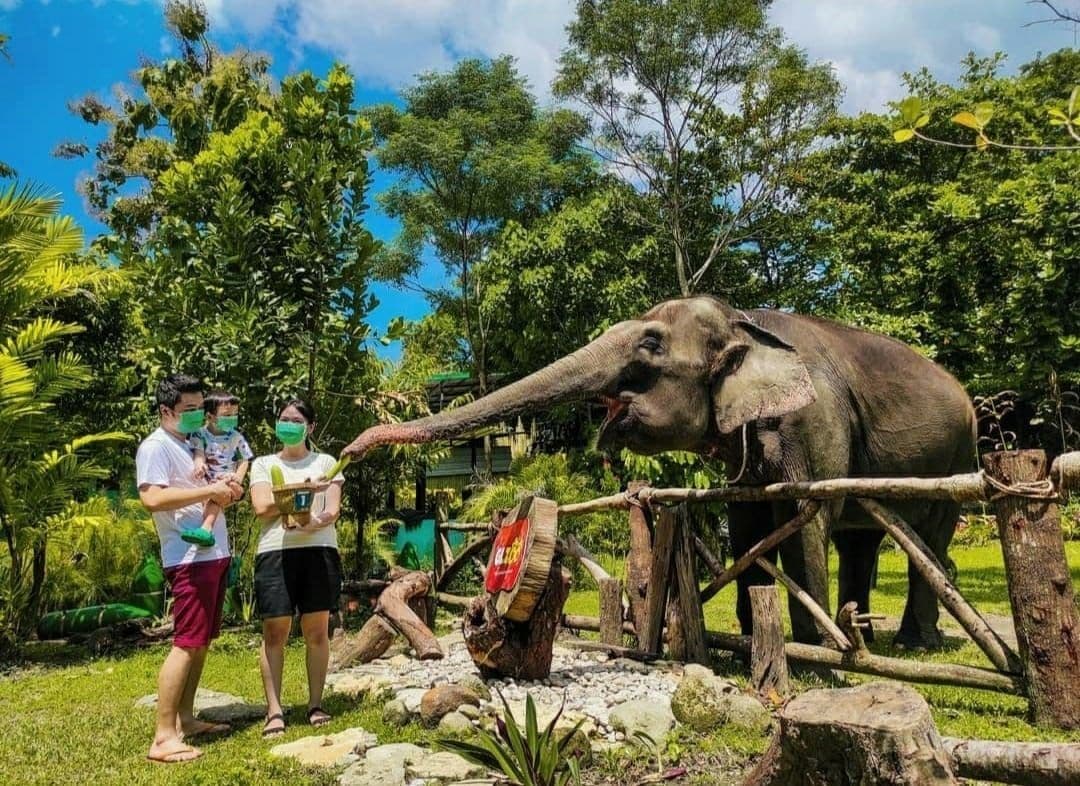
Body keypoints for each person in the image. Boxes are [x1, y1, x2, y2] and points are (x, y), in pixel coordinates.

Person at [135, 374, 242, 764]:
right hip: (187, 557)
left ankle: (186, 718)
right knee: (185, 643)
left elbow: (209, 490)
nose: (199, 416)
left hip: (214, 554)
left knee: (201, 642)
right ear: (167, 411)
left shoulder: (192, 444)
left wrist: (226, 491)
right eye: (190, 410)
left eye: (201, 408)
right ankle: (163, 736)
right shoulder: (156, 447)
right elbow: (151, 498)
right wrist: (207, 492)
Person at [249, 398, 345, 738]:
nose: (287, 424)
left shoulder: (327, 462)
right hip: (275, 552)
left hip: (318, 549)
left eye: (295, 419)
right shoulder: (262, 464)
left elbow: (331, 510)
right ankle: (274, 711)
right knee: (275, 632)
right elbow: (262, 507)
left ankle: (315, 704)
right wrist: (303, 491)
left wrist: (308, 522)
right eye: (282, 418)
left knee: (316, 632)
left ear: (310, 427)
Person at [183, 389, 253, 548]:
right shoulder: (199, 434)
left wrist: (237, 478)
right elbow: (199, 453)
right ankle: (207, 531)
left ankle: (206, 529)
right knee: (213, 494)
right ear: (210, 417)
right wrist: (199, 464)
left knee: (223, 492)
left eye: (235, 415)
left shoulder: (236, 437)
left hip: (228, 479)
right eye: (227, 415)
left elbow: (244, 460)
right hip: (209, 482)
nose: (232, 419)